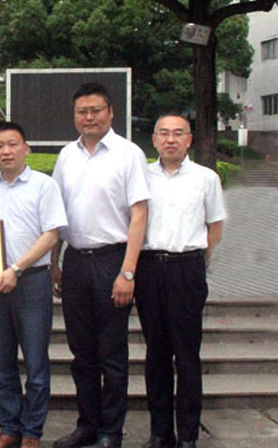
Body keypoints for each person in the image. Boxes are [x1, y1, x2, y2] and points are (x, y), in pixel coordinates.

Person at [50, 82, 150, 448]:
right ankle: (87, 425)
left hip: (113, 261)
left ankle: (111, 431)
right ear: (75, 116)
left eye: (96, 110)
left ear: (110, 112)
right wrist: (54, 263)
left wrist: (128, 272)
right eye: (82, 112)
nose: (89, 117)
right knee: (82, 353)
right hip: (75, 262)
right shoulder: (66, 156)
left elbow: (140, 214)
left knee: (112, 354)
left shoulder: (129, 154)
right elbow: (56, 214)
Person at [0, 122, 68, 448]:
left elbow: (52, 234)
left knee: (36, 363)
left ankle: (32, 433)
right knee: (1, 363)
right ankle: (8, 429)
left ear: (25, 148)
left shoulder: (44, 186)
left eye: (12, 144)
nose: (6, 151)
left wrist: (17, 268)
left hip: (31, 282)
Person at [136, 113, 225, 448]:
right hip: (149, 269)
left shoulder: (206, 178)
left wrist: (196, 262)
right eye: (163, 133)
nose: (170, 139)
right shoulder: (141, 177)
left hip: (187, 269)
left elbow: (214, 227)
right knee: (156, 354)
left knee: (187, 355)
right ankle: (160, 433)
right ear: (154, 139)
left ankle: (188, 435)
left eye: (178, 133)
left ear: (189, 139)